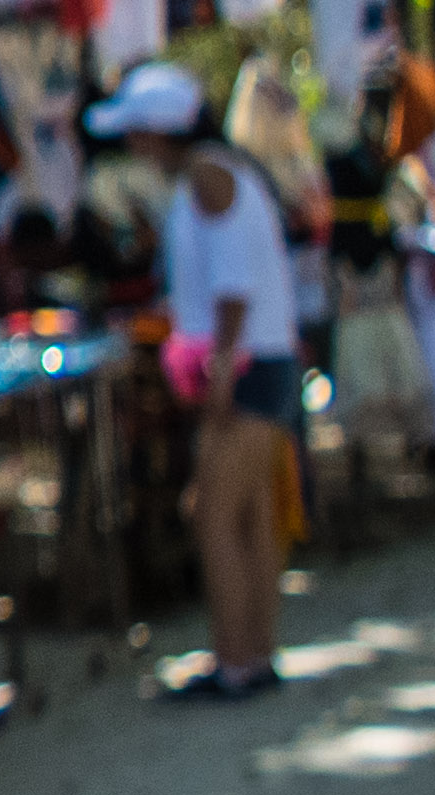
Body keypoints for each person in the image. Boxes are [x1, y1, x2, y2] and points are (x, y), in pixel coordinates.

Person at [107, 56, 305, 695]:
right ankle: (252, 656)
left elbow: (232, 288)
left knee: (215, 515)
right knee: (246, 516)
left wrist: (218, 372)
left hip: (243, 365)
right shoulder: (220, 174)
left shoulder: (209, 179)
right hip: (257, 361)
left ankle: (235, 663)